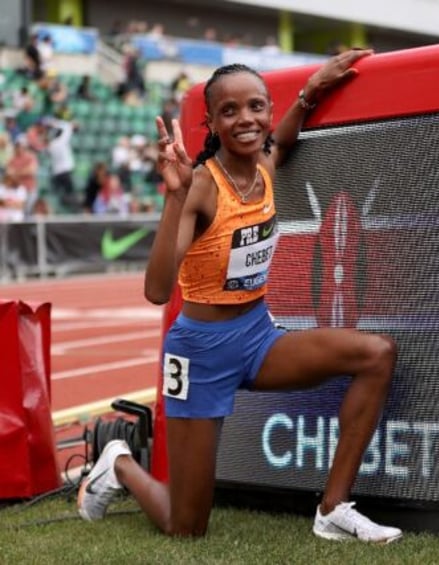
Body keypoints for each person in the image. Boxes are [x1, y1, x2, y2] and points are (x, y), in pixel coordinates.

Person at [76, 49, 402, 544]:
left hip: (257, 338)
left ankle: (333, 509)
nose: (245, 119)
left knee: (376, 355)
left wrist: (314, 88)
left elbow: (284, 137)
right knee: (186, 526)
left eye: (255, 107)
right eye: (229, 112)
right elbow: (156, 290)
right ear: (210, 123)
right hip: (201, 353)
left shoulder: (267, 162)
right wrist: (175, 197)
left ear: (267, 111)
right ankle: (118, 463)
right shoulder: (202, 187)